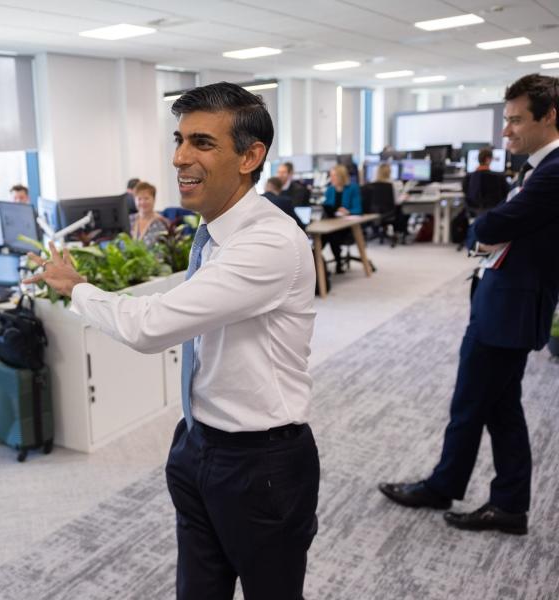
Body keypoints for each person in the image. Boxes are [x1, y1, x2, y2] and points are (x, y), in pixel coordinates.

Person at [25, 82, 318, 600]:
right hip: (199, 443)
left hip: (261, 465)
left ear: (251, 157)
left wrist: (77, 287)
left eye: (202, 143)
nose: (180, 156)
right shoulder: (213, 233)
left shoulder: (269, 242)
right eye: (179, 139)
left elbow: (150, 326)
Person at [379, 73, 559, 536]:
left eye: (516, 121)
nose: (505, 132)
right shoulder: (537, 167)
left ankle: (444, 486)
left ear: (550, 116)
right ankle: (508, 504)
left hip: (509, 313)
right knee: (502, 408)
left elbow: (495, 225)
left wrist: (481, 228)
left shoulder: (555, 170)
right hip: (505, 304)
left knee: (470, 403)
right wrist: (491, 226)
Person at [322, 164, 362, 273]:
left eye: (334, 176)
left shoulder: (353, 188)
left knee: (331, 234)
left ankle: (337, 262)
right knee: (322, 235)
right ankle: (318, 261)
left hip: (346, 225)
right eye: (331, 176)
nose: (332, 178)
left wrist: (347, 211)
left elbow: (358, 208)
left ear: (341, 176)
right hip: (331, 222)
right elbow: (327, 206)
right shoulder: (330, 189)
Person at [462, 148, 510, 215]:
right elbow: (507, 193)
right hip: (494, 212)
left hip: (473, 211)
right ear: (488, 159)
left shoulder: (468, 177)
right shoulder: (499, 177)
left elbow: (465, 192)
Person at [128, 181, 169, 246]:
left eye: (146, 198)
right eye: (139, 199)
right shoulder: (129, 220)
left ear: (154, 199)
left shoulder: (162, 222)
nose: (143, 202)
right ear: (134, 201)